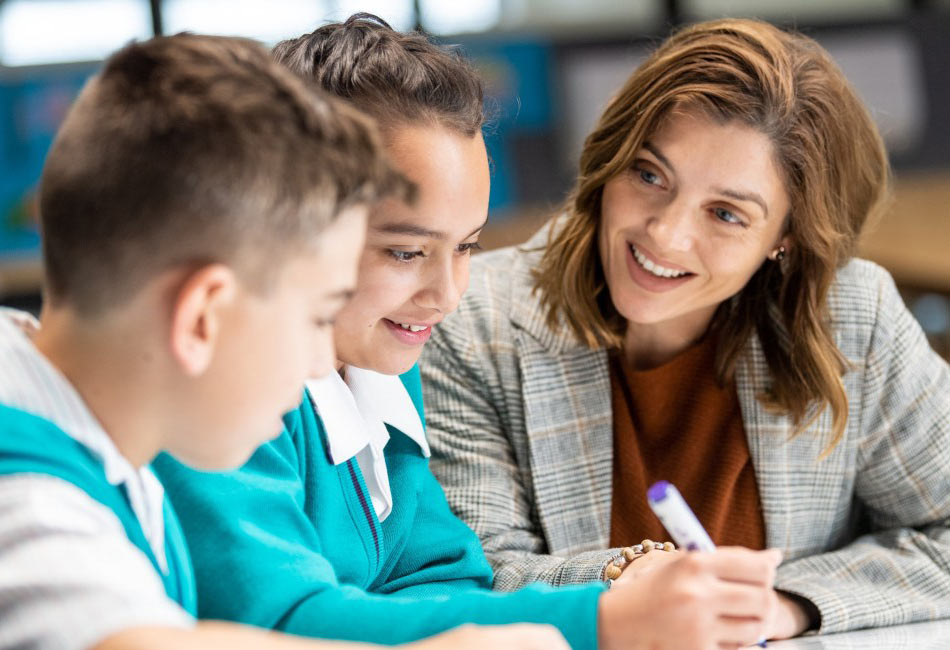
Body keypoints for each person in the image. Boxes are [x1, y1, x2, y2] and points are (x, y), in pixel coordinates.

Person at [153, 14, 783, 650]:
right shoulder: (218, 390)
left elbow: (440, 577)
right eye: (405, 252)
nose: (446, 295)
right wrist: (602, 620)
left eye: (467, 247)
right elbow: (276, 620)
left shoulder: (378, 363)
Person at [0, 32, 566, 650]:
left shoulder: (71, 420)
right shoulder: (29, 493)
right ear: (201, 319)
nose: (324, 366)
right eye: (316, 317)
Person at [421, 16, 950, 642]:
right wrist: (635, 578)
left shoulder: (853, 317)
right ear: (610, 160)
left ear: (785, 237)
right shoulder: (473, 319)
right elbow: (475, 577)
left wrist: (784, 604)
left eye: (725, 213)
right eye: (649, 175)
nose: (666, 234)